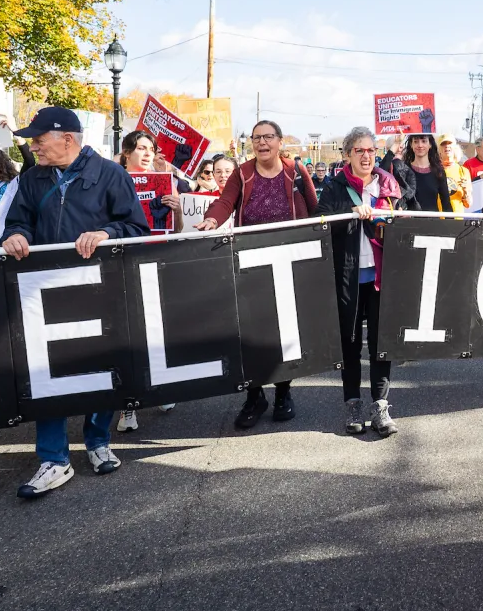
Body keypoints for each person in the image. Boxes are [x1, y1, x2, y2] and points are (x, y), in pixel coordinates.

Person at [1, 107, 150, 499]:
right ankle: (53, 458)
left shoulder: (111, 174)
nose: (33, 146)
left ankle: (98, 441)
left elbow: (136, 227)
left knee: (102, 366)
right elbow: (17, 221)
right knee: (47, 370)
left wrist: (106, 233)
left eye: (38, 139)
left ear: (66, 138)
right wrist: (15, 235)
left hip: (99, 290)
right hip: (45, 291)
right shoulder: (31, 177)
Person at [198, 119, 320, 428]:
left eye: (268, 137)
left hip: (289, 261)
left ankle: (283, 393)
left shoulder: (296, 171)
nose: (262, 142)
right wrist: (212, 220)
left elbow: (315, 209)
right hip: (251, 262)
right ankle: (254, 396)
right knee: (250, 332)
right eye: (256, 138)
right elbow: (225, 202)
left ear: (280, 141)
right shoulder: (242, 173)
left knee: (284, 331)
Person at [317, 126, 404, 436]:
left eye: (371, 150)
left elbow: (405, 220)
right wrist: (350, 211)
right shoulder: (335, 187)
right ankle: (352, 402)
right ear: (348, 155)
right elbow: (320, 220)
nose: (366, 156)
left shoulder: (389, 184)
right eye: (360, 151)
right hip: (348, 277)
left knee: (381, 343)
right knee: (350, 342)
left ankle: (380, 406)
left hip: (382, 276)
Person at [115, 129, 183, 430]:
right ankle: (127, 407)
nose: (146, 154)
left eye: (150, 149)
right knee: (127, 336)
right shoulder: (113, 180)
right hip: (123, 263)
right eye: (141, 148)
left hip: (155, 261)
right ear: (127, 152)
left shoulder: (165, 183)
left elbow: (175, 229)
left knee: (155, 332)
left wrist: (176, 208)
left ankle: (160, 389)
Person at [402, 133, 453, 212]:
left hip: (432, 219)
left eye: (424, 141)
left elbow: (446, 204)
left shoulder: (438, 172)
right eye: (416, 142)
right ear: (411, 145)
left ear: (430, 145)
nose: (420, 145)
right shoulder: (404, 170)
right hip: (409, 219)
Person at [378, 134, 417, 208]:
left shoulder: (409, 167)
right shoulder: (383, 166)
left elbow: (411, 191)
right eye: (396, 146)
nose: (399, 149)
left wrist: (401, 204)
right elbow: (382, 172)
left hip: (404, 208)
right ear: (388, 149)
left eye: (401, 146)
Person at [438, 136, 472, 212]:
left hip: (457, 217)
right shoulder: (433, 170)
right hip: (437, 217)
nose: (447, 146)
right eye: (443, 144)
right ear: (439, 150)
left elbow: (468, 204)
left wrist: (466, 191)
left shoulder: (463, 171)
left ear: (455, 148)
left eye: (449, 143)